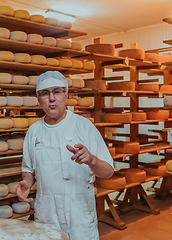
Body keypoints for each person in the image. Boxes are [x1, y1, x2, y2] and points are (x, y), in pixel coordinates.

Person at [16, 71, 114, 240]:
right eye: (45, 93)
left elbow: (108, 172)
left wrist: (92, 160)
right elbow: (29, 169)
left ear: (66, 94)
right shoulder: (34, 132)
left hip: (79, 213)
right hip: (47, 213)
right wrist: (26, 182)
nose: (51, 98)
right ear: (38, 99)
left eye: (57, 91)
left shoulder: (84, 126)